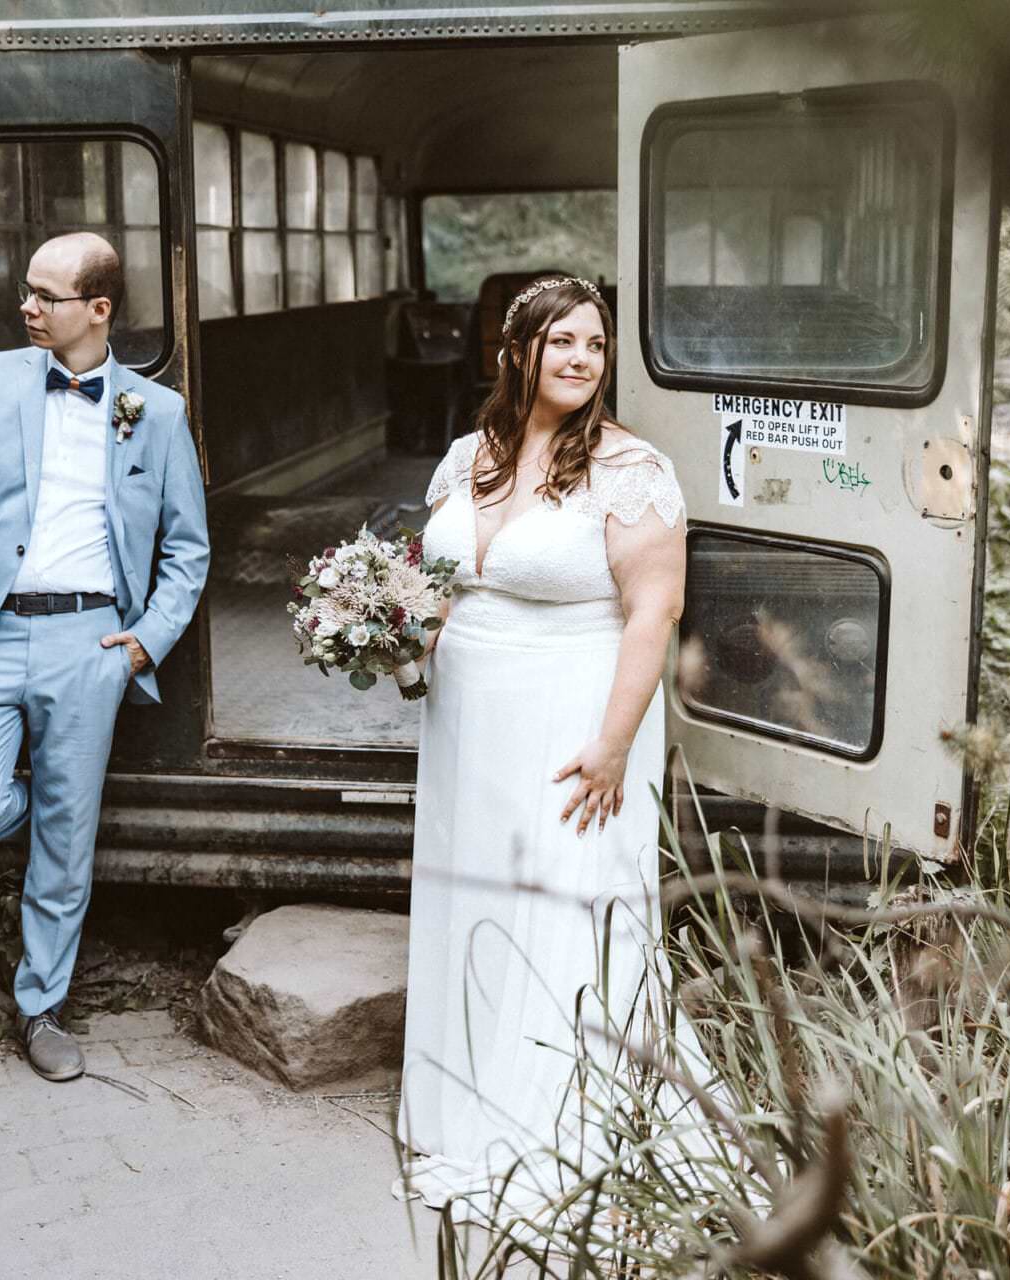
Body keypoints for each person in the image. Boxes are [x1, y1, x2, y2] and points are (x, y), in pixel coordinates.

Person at [394, 275, 694, 1220]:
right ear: (515, 352)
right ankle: (463, 1095)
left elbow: (657, 612)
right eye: (559, 340)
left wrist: (612, 744)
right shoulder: (465, 460)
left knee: (561, 904)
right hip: (464, 730)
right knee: (470, 889)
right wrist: (391, 639)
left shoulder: (631, 469)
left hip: (573, 721)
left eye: (594, 345)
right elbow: (437, 589)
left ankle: (552, 1120)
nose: (578, 359)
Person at [0, 232, 209, 1082]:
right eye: (27, 292)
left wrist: (144, 641)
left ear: (99, 310)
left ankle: (41, 1006)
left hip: (92, 644)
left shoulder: (157, 413)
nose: (26, 307)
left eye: (46, 296)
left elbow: (188, 551)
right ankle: (61, 810)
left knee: (68, 843)